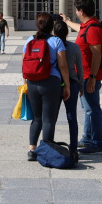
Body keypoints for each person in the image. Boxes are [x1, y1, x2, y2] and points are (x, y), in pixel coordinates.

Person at [24, 12, 71, 162]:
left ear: (37, 25)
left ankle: (32, 150)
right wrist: (67, 86)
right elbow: (63, 66)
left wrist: (26, 83)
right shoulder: (56, 41)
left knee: (36, 118)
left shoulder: (29, 40)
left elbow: (24, 64)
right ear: (52, 26)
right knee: (48, 119)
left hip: (32, 82)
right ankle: (46, 149)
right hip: (51, 82)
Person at [75, 0, 102, 155]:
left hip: (89, 76)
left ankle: (97, 143)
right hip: (85, 75)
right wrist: (66, 21)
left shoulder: (93, 28)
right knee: (87, 109)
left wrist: (93, 78)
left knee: (93, 109)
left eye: (76, 10)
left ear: (81, 11)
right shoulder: (86, 26)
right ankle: (87, 138)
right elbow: (79, 29)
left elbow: (97, 54)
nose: (76, 12)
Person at [53, 17, 83, 167]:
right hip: (72, 83)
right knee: (72, 118)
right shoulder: (74, 47)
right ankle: (73, 150)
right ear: (67, 33)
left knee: (51, 118)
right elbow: (80, 70)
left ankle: (50, 145)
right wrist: (82, 86)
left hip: (55, 85)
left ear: (54, 33)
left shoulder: (51, 46)